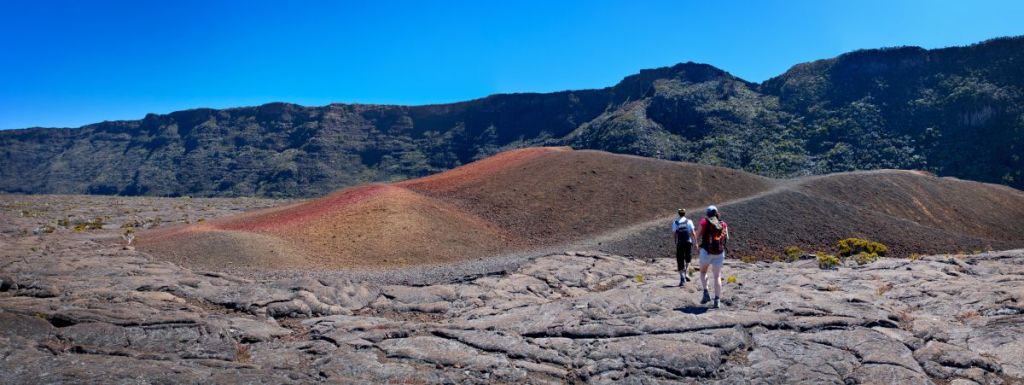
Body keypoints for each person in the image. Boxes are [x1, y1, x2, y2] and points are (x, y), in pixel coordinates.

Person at [695, 205, 729, 309]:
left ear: (707, 213)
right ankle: (717, 301)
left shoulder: (704, 222)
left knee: (703, 272)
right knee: (717, 276)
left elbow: (697, 235)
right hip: (719, 253)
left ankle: (706, 292)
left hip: (706, 252)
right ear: (716, 213)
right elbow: (727, 237)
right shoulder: (723, 224)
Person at [672, 208, 696, 287]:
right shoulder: (689, 221)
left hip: (680, 243)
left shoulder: (675, 222)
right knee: (688, 259)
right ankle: (686, 273)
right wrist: (695, 242)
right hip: (688, 242)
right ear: (685, 213)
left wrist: (675, 241)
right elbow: (693, 232)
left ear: (678, 213)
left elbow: (675, 234)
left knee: (680, 260)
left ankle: (682, 278)